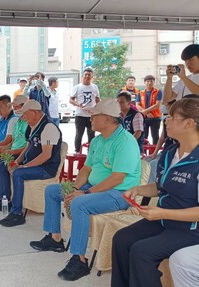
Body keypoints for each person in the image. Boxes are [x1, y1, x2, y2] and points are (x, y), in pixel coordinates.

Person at [30, 98, 141, 281]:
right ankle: (55, 238)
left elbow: (117, 178)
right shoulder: (98, 141)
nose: (90, 119)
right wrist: (73, 188)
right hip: (95, 188)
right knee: (53, 190)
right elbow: (86, 169)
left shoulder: (125, 141)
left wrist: (86, 193)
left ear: (106, 118)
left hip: (120, 193)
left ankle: (79, 259)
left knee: (80, 203)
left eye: (93, 116)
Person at [111, 97, 199, 287]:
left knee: (142, 251)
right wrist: (138, 189)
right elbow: (161, 186)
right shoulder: (170, 152)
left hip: (191, 229)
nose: (165, 121)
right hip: (164, 220)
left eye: (171, 117)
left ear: (189, 123)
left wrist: (162, 212)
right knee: (122, 239)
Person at [0, 99, 62, 227]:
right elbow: (28, 147)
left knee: (18, 173)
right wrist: (16, 162)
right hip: (31, 164)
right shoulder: (33, 126)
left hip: (46, 168)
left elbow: (46, 155)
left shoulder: (48, 127)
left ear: (34, 112)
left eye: (25, 114)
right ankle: (6, 200)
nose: (23, 117)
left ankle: (17, 214)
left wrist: (24, 166)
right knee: (3, 165)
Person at [69, 68, 100, 153]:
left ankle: (91, 152)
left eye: (89, 75)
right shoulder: (77, 87)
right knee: (79, 134)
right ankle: (77, 151)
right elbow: (71, 100)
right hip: (80, 115)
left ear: (91, 76)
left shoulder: (95, 87)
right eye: (85, 74)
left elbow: (97, 100)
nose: (87, 76)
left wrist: (97, 109)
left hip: (91, 116)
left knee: (91, 135)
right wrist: (78, 104)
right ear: (83, 76)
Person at [136, 75, 162, 145]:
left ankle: (154, 154)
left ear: (154, 82)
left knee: (155, 136)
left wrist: (145, 111)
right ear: (145, 82)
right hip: (144, 117)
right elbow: (137, 105)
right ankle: (144, 153)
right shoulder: (140, 93)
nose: (149, 83)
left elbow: (157, 105)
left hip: (155, 118)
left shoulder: (158, 92)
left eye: (151, 81)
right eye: (148, 81)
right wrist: (146, 113)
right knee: (144, 137)